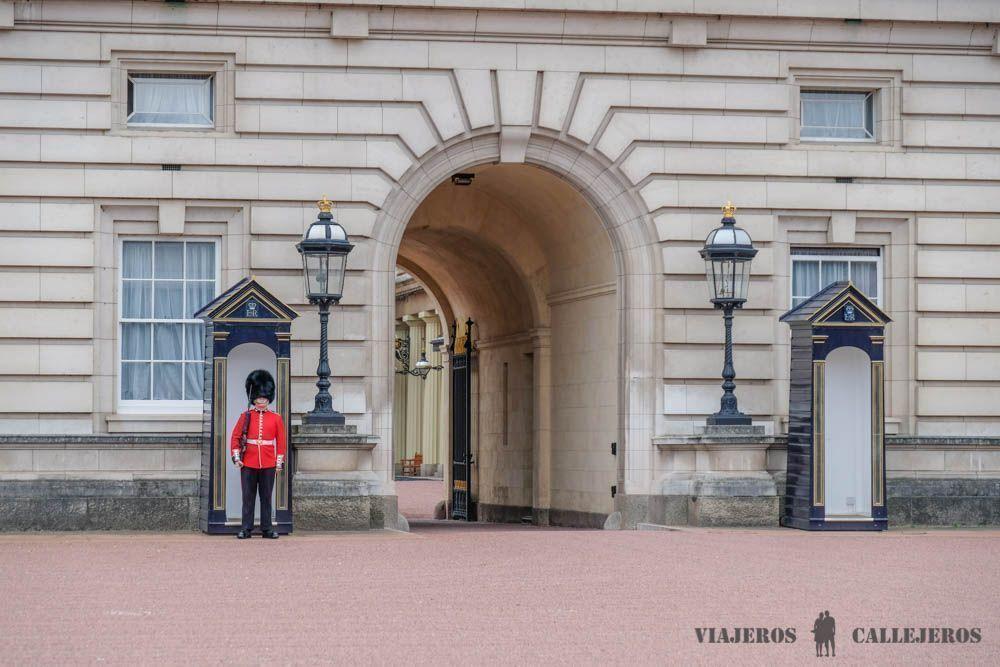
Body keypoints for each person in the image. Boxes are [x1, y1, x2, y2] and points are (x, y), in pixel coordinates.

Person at [230, 369, 286, 539]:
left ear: (269, 398)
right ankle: (246, 528)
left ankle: (267, 529)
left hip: (268, 463)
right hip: (248, 462)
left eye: (264, 398)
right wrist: (237, 458)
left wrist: (279, 462)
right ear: (253, 398)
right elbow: (235, 437)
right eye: (258, 398)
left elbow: (281, 441)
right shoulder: (245, 416)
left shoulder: (276, 418)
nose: (261, 401)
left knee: (266, 497)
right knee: (248, 497)